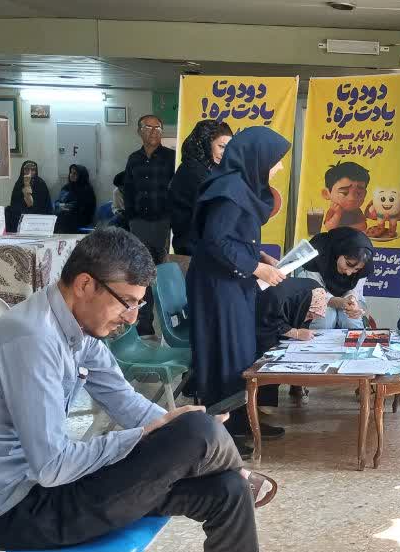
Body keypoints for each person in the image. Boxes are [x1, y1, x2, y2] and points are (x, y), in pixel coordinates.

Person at [0, 227, 277, 552]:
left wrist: (168, 427)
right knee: (200, 430)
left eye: (138, 305)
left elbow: (125, 401)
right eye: (126, 302)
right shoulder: (32, 338)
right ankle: (235, 465)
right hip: (26, 512)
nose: (131, 318)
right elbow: (52, 466)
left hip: (54, 489)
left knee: (227, 488)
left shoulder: (74, 327)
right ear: (85, 285)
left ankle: (234, 473)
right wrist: (150, 436)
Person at [187, 126, 290, 456]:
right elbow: (216, 241)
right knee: (226, 351)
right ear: (257, 159)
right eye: (276, 160)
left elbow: (234, 237)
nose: (279, 167)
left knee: (243, 351)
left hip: (232, 280)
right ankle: (224, 430)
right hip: (217, 286)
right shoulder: (229, 189)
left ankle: (244, 421)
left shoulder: (241, 186)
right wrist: (257, 268)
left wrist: (260, 257)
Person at [123, 114, 176, 335]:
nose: (154, 131)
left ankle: (169, 324)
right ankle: (144, 324)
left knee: (161, 273)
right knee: (141, 272)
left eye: (158, 128)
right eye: (148, 127)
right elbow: (128, 189)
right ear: (139, 131)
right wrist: (131, 217)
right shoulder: (133, 159)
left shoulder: (171, 157)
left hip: (163, 223)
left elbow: (178, 190)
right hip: (139, 223)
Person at [254, 277, 332, 408]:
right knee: (270, 356)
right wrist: (295, 333)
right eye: (309, 315)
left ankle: (295, 385)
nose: (308, 319)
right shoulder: (277, 297)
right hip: (259, 329)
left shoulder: (309, 293)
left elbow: (299, 317)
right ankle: (261, 402)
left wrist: (299, 331)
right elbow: (266, 321)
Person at [170, 120, 234, 256]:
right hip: (194, 249)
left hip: (197, 246)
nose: (225, 153)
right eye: (221, 146)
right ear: (205, 144)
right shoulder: (195, 172)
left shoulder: (205, 169)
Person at [299, 226, 373, 331]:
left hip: (345, 298)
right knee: (325, 319)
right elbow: (315, 291)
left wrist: (352, 301)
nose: (349, 273)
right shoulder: (318, 252)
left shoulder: (365, 264)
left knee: (351, 320)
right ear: (339, 250)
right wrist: (340, 302)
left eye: (356, 269)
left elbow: (355, 290)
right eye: (348, 264)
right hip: (316, 296)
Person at [319, 161, 370, 232]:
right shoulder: (333, 210)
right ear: (326, 194)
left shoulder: (356, 211)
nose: (352, 198)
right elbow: (329, 228)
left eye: (358, 193)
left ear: (364, 194)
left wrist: (344, 229)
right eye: (344, 193)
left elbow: (363, 226)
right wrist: (337, 214)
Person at [5, 160, 51, 233]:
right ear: (22, 171)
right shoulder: (19, 183)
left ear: (36, 171)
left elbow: (31, 204)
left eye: (33, 170)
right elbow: (14, 204)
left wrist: (27, 184)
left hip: (37, 219)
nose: (29, 172)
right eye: (26, 169)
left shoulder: (40, 184)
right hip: (19, 218)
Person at [52, 164, 97, 234]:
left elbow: (87, 208)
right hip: (65, 214)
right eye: (71, 172)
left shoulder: (87, 189)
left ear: (81, 175)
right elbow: (58, 202)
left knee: (65, 217)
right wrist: (61, 205)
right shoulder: (66, 187)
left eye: (75, 173)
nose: (71, 175)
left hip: (81, 218)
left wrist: (69, 207)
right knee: (57, 216)